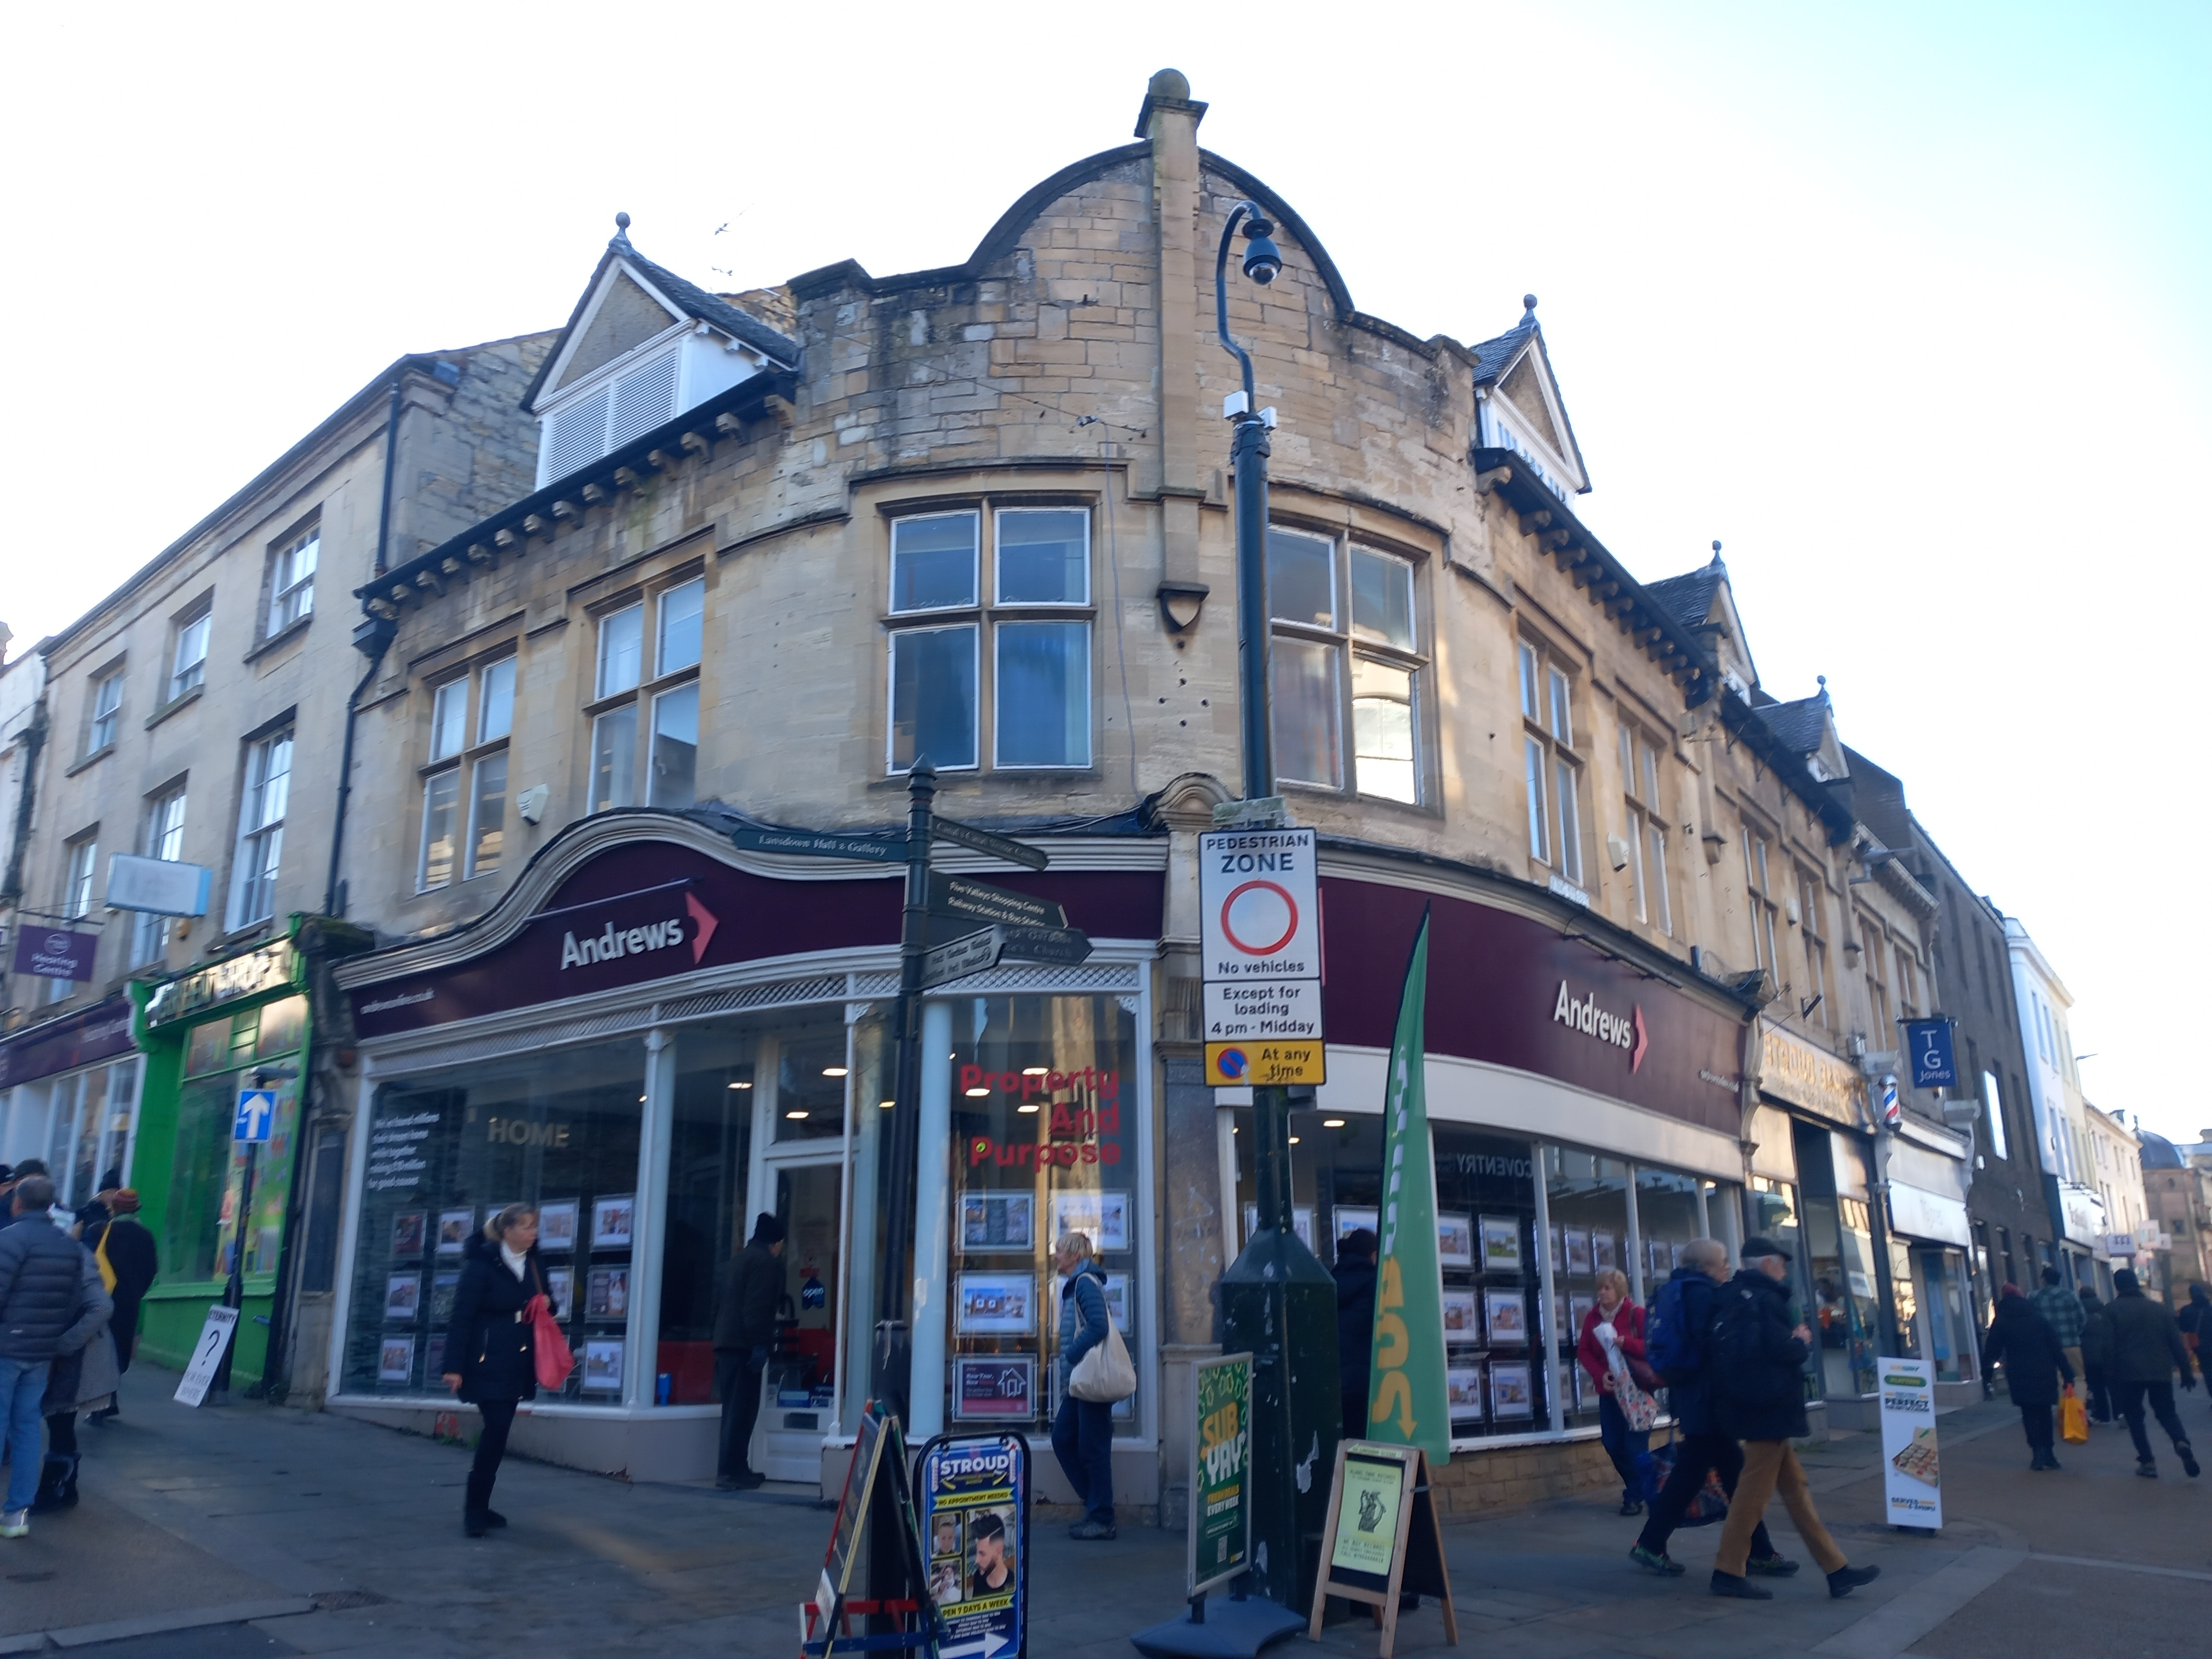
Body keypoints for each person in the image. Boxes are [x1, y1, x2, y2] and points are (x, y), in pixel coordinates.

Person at [1707, 1236, 1879, 1602]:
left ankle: (1836, 1569)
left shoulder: (1740, 1296)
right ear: (1768, 1264)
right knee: (1750, 1498)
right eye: (1781, 1263)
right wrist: (1799, 1339)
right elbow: (1776, 1350)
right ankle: (1727, 1570)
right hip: (1768, 1411)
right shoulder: (1767, 1300)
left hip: (1758, 1409)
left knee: (1796, 1491)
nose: (1784, 1269)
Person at [1630, 1239, 1792, 1579]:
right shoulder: (1703, 1294)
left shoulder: (1675, 1290)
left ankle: (1758, 1551)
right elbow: (1717, 1347)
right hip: (1707, 1398)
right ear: (1706, 1267)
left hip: (1690, 1394)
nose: (1727, 1267)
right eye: (1722, 1261)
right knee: (1707, 1474)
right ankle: (1651, 1542)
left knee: (1730, 1472)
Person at [0, 1176, 110, 1539]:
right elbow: (74, 1303)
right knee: (28, 1428)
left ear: (17, 1202)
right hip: (43, 1352)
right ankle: (17, 1514)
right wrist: (60, 1341)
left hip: (7, 1348)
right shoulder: (69, 1247)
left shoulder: (10, 1239)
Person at [442, 1203, 549, 1536]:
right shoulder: (481, 1265)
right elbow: (461, 1316)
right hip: (486, 1357)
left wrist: (547, 1304)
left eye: (535, 1227)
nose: (533, 1233)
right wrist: (453, 1366)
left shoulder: (534, 1263)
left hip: (519, 1358)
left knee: (499, 1433)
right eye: (526, 1227)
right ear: (507, 1232)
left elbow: (546, 1302)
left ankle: (481, 1506)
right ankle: (474, 1510)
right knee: (497, 1427)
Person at [712, 1212, 786, 1490]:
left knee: (732, 1409)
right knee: (742, 1411)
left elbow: (719, 1304)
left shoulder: (738, 1259)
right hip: (744, 1346)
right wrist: (759, 1345)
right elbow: (757, 1309)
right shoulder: (765, 1263)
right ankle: (731, 1472)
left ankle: (735, 1468)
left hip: (727, 1344)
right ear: (775, 1243)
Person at [1050, 1231, 1115, 1540]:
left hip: (1089, 1379)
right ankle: (1095, 1507)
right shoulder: (1077, 1284)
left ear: (1076, 1255)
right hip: (1079, 1382)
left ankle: (1102, 1518)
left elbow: (1099, 1326)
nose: (1055, 1255)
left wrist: (1073, 1354)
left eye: (1060, 1250)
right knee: (1063, 1438)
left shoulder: (1086, 1283)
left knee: (1093, 1449)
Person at [2102, 1267, 2197, 1478]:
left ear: (2117, 1286)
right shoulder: (2160, 1309)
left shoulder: (2111, 1310)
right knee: (2166, 1412)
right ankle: (2180, 1440)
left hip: (2128, 1373)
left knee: (2135, 1417)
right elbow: (2176, 1342)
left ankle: (2147, 1461)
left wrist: (2109, 1373)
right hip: (2159, 1369)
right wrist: (2186, 1370)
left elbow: (2108, 1346)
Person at [79, 1190, 156, 1426]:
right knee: (121, 1348)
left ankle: (102, 1404)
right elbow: (152, 1268)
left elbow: (88, 1263)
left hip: (102, 1298)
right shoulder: (146, 1236)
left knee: (101, 1350)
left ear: (114, 1208)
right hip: (129, 1301)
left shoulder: (102, 1231)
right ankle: (110, 1398)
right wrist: (136, 1291)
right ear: (136, 1209)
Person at [1578, 1268, 1650, 1515]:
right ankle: (1640, 1487)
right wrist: (1600, 1375)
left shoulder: (1635, 1314)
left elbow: (1653, 1347)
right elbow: (1584, 1351)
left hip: (1636, 1391)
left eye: (1607, 1288)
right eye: (1600, 1288)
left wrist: (1626, 1342)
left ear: (1619, 1290)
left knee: (1635, 1446)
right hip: (1610, 1391)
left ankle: (1635, 1496)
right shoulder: (1593, 1317)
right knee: (1612, 1442)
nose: (1602, 1292)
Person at [1980, 1283, 2075, 1470]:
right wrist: (2067, 1374)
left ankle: (2037, 1453)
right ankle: (2050, 1453)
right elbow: (2055, 1348)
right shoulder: (2038, 1319)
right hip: (2044, 1371)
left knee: (2029, 1413)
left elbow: (1992, 1352)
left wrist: (1987, 1376)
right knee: (2045, 1412)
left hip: (2019, 1373)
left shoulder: (2002, 1323)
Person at [1333, 1227, 1378, 1442]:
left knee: (1341, 1443)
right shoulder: (1374, 1284)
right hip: (1365, 1382)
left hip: (1335, 1381)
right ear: (1373, 1254)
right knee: (1364, 1445)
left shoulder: (1331, 1279)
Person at [2030, 1265, 2087, 1387]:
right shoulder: (2070, 1296)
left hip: (2047, 1348)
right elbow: (2082, 1319)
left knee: (2056, 1380)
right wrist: (2075, 1333)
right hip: (2071, 1344)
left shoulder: (2034, 1298)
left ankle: (2061, 1404)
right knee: (2078, 1378)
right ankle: (2078, 1403)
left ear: (2044, 1280)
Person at [2078, 1285, 2114, 1423]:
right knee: (2111, 1385)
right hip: (2105, 1353)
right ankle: (2119, 1413)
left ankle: (2099, 1413)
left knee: (2093, 1386)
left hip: (2087, 1355)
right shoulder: (2104, 1310)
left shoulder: (2080, 1313)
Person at [969, 1509, 1011, 1596]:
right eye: (977, 1553)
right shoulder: (978, 1576)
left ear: (998, 1550)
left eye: (982, 1554)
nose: (977, 1561)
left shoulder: (1013, 1583)